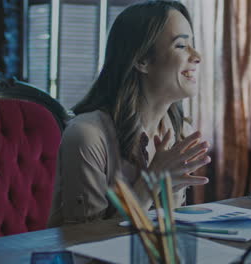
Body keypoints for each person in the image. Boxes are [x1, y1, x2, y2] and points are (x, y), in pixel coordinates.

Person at [48, 1, 210, 227]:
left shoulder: (181, 131)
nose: (197, 56)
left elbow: (168, 228)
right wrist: (151, 183)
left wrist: (170, 188)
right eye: (181, 45)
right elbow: (86, 240)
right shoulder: (87, 135)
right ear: (141, 60)